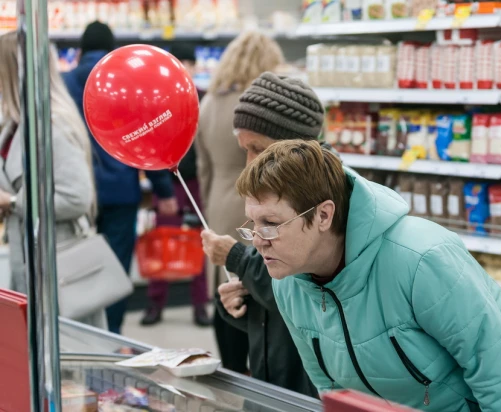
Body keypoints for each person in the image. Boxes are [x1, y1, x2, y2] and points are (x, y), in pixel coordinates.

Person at [232, 139, 501, 411]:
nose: (258, 240)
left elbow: (498, 370)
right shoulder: (288, 282)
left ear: (323, 215)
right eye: (252, 224)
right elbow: (329, 386)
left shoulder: (421, 260)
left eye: (271, 224)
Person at [200, 72, 324, 397]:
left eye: (258, 148)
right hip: (275, 385)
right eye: (244, 149)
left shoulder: (319, 208)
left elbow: (300, 297)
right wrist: (242, 304)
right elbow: (279, 314)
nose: (249, 164)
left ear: (297, 146)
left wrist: (236, 257)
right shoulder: (273, 199)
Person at [62, 20, 178, 335]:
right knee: (114, 268)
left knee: (77, 268)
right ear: (113, 51)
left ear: (80, 51)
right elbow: (147, 136)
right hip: (120, 192)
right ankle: (111, 333)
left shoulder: (62, 84)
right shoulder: (125, 82)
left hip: (79, 196)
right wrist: (164, 191)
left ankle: (79, 333)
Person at [0, 31, 106, 328]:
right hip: (33, 262)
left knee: (69, 364)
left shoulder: (52, 125)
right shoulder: (13, 125)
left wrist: (11, 201)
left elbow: (77, 198)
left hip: (59, 265)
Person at [141, 44, 210, 327]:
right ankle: (155, 304)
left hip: (196, 183)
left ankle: (200, 306)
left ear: (194, 67)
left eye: (187, 64)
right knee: (161, 243)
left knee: (200, 243)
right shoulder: (158, 104)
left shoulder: (204, 101)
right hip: (167, 185)